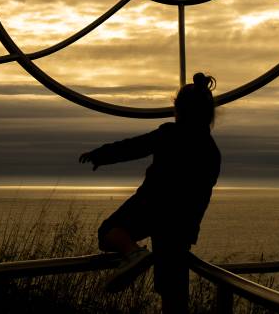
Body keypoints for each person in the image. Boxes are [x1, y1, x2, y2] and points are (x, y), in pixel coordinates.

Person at [79, 73, 221, 314]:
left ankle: (133, 253)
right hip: (182, 224)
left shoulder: (169, 134)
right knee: (172, 290)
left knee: (108, 231)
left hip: (151, 207)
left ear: (178, 110)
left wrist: (101, 155)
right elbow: (202, 195)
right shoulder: (212, 152)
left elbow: (134, 147)